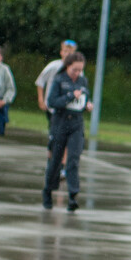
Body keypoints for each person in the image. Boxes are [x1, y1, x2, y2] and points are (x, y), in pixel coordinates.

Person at [41, 51, 92, 211]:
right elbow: (52, 102)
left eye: (80, 70)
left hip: (76, 124)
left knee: (73, 159)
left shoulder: (83, 81)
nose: (77, 73)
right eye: (74, 70)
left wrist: (87, 105)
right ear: (68, 66)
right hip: (60, 123)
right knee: (55, 160)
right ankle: (48, 191)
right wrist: (70, 96)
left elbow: (84, 98)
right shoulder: (59, 80)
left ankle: (73, 195)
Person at [36, 39, 77, 173]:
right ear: (61, 52)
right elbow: (40, 82)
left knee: (65, 136)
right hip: (53, 108)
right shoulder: (53, 66)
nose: (67, 54)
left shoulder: (76, 70)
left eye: (70, 52)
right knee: (54, 137)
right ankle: (52, 161)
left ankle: (62, 165)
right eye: (65, 51)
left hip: (68, 108)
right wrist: (41, 99)